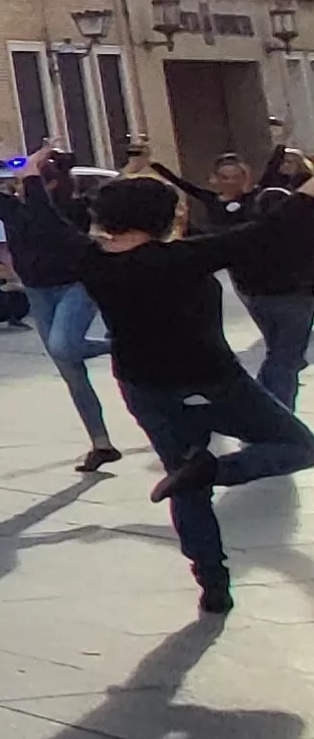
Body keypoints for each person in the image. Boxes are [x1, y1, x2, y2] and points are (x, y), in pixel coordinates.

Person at [81, 174, 314, 616]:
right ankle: (217, 471)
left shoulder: (91, 261)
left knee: (184, 480)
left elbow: (33, 220)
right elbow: (269, 229)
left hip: (146, 387)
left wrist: (30, 178)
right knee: (298, 446)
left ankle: (213, 584)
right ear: (164, 217)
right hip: (215, 380)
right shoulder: (185, 259)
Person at [0, 148, 121, 470]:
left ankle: (121, 346)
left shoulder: (75, 210)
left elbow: (47, 217)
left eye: (25, 181)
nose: (17, 187)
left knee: (64, 346)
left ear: (50, 185)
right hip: (38, 291)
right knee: (71, 370)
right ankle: (101, 443)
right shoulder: (17, 211)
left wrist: (31, 171)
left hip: (76, 286)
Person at [152, 151, 314, 408]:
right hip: (269, 292)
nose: (230, 182)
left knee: (281, 355)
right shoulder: (224, 207)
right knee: (284, 358)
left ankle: (269, 408)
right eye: (225, 177)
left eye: (236, 177)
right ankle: (273, 413)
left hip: (269, 291)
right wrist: (155, 165)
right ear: (214, 179)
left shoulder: (258, 201)